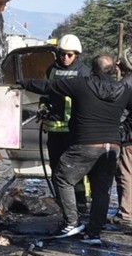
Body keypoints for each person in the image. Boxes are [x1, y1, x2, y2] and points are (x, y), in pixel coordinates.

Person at [20, 53, 132, 245]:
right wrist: (122, 132)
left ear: (92, 68)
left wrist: (23, 82)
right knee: (101, 190)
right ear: (113, 70)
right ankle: (94, 234)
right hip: (112, 147)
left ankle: (72, 222)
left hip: (85, 145)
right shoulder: (123, 89)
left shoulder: (81, 84)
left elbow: (48, 86)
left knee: (62, 177)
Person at [39, 34, 87, 213]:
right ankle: (62, 202)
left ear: (77, 55)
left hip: (74, 129)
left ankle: (80, 202)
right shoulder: (51, 70)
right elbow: (45, 93)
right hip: (54, 128)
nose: (65, 58)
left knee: (75, 170)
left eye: (70, 55)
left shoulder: (83, 72)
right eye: (63, 54)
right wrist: (43, 107)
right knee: (56, 167)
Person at [115, 49, 132, 228]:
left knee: (126, 174)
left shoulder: (126, 84)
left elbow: (120, 113)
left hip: (128, 137)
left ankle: (126, 213)